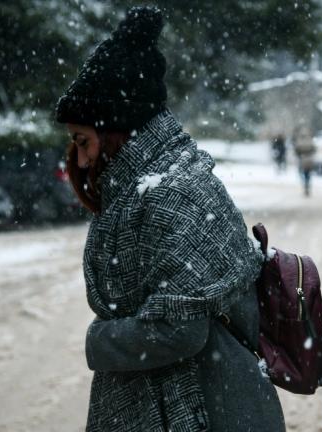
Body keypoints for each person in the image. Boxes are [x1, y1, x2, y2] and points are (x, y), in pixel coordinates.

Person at [55, 7, 285, 431]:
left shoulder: (173, 194)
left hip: (202, 409)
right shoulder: (153, 187)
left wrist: (100, 340)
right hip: (197, 402)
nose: (81, 158)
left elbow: (178, 331)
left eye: (83, 140)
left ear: (117, 132)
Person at [292, 125, 316, 197]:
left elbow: (296, 150)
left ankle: (305, 185)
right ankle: (307, 185)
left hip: (302, 159)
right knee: (308, 174)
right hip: (308, 159)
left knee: (302, 173)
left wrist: (300, 154)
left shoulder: (299, 140)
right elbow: (314, 149)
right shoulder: (310, 139)